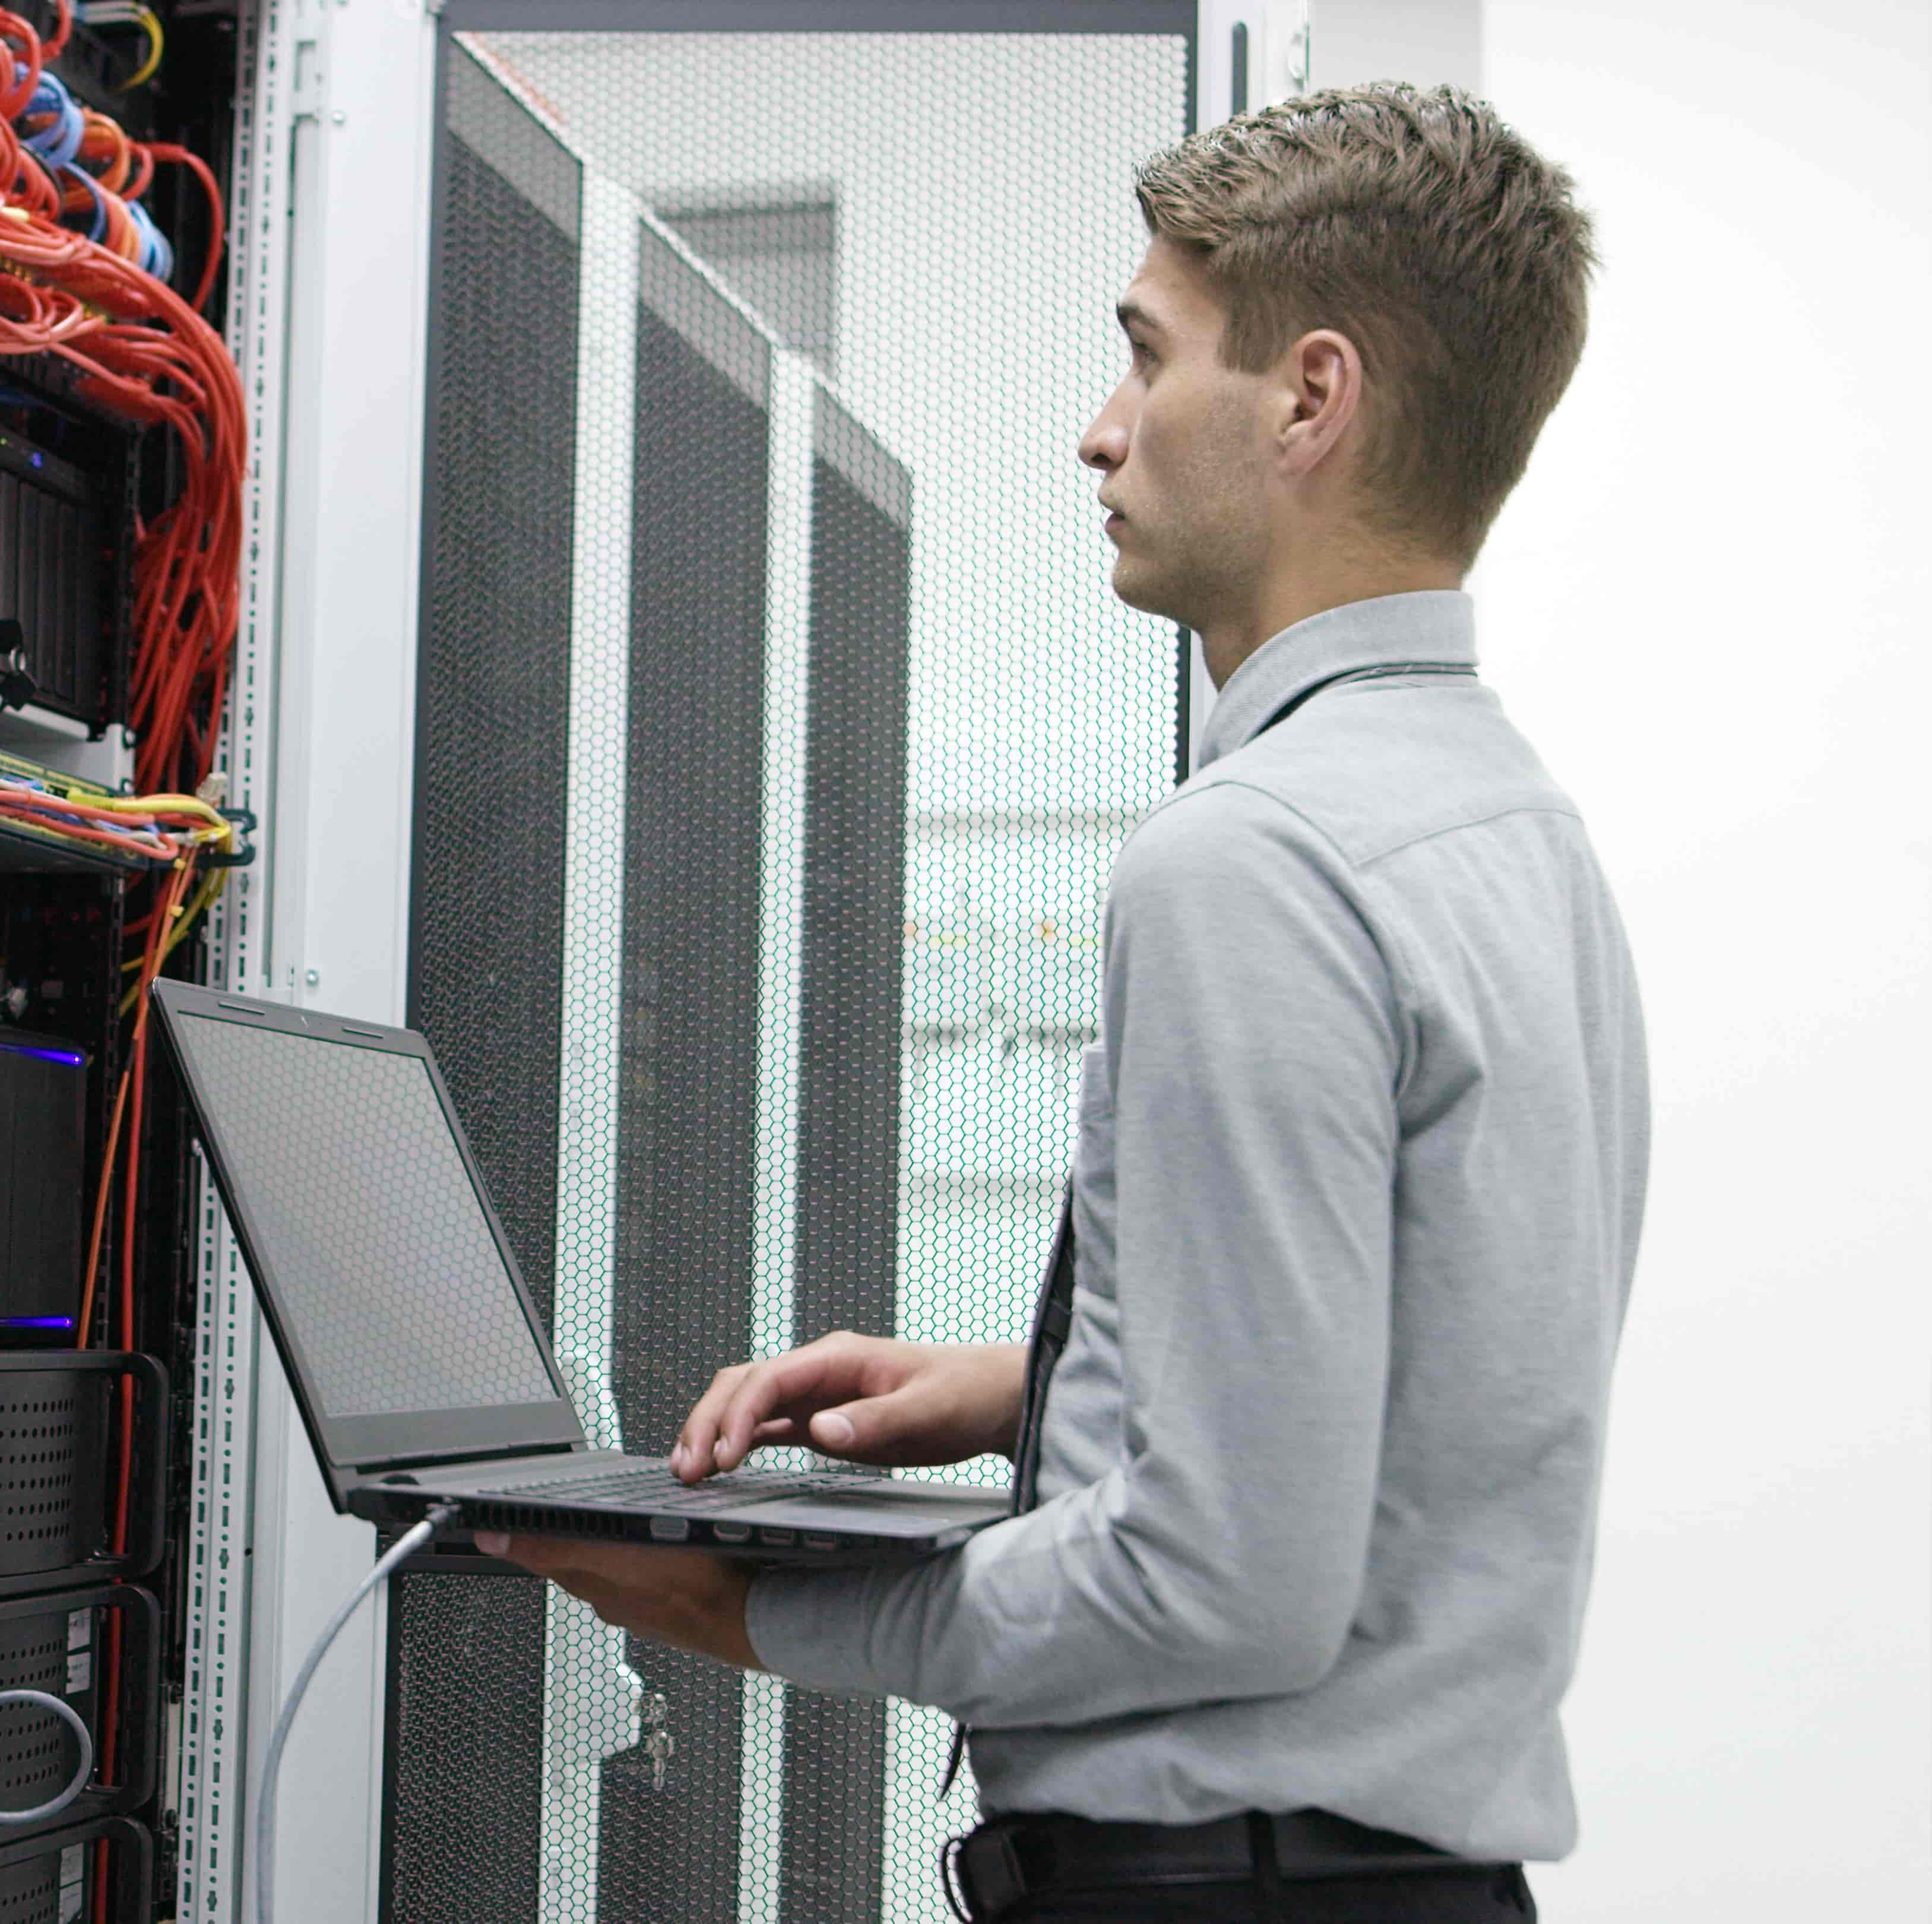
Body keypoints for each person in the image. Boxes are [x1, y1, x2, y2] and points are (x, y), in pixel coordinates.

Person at [479, 82, 1645, 1923]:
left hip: (1210, 1887)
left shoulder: (1253, 857)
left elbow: (1224, 1587)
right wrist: (1039, 1395)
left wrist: (768, 1605)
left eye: (1144, 357)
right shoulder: (1515, 833)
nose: (1100, 433)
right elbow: (1441, 1387)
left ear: (1308, 401)